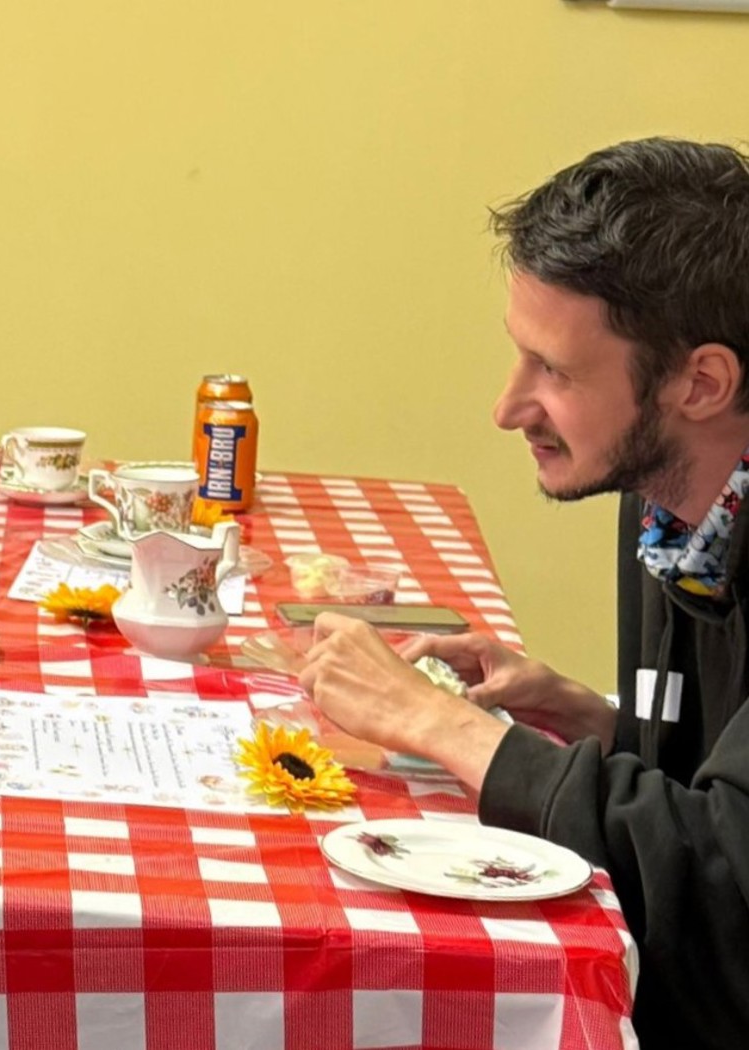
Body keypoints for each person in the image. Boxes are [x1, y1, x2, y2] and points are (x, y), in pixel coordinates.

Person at [299, 137, 749, 1048]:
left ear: (701, 382)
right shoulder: (673, 508)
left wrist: (445, 729)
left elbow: (728, 890)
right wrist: (586, 716)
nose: (509, 407)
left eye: (555, 369)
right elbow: (712, 782)